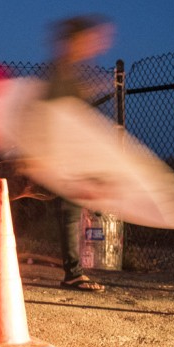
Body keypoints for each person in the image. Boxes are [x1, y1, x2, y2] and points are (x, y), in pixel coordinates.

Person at [46, 15, 114, 292]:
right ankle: (72, 273)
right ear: (76, 41)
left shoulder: (70, 71)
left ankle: (72, 271)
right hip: (59, 151)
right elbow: (54, 113)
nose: (95, 45)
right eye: (90, 39)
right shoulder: (62, 72)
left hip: (68, 150)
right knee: (70, 208)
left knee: (71, 207)